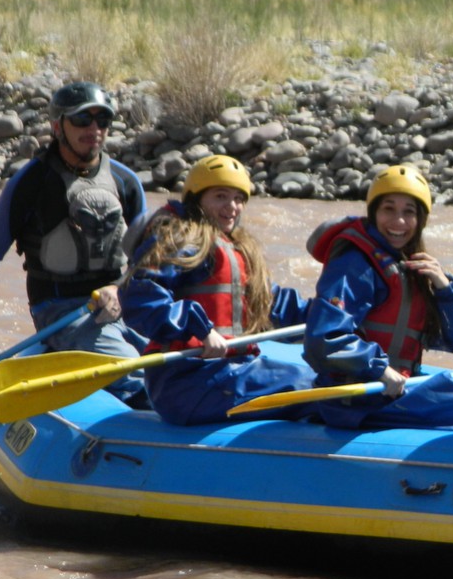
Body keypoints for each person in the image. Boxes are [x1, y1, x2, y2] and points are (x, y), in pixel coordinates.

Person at [303, 165, 453, 436]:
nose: (398, 222)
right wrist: (379, 369)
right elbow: (323, 338)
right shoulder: (354, 263)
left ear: (420, 219)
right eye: (389, 209)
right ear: (374, 212)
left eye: (408, 212)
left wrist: (446, 290)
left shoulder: (409, 266)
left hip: (395, 391)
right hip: (360, 399)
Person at [0, 81, 149, 407]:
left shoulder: (126, 182)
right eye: (81, 120)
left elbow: (147, 259)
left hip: (121, 301)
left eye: (102, 120)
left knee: (178, 356)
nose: (93, 129)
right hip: (60, 310)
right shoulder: (31, 183)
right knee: (131, 373)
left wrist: (120, 288)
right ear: (57, 125)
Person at [119, 155, 315, 425]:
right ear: (196, 200)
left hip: (228, 371)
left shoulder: (236, 248)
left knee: (323, 381)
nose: (231, 207)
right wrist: (200, 329)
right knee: (311, 386)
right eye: (220, 196)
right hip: (187, 381)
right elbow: (141, 297)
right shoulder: (181, 239)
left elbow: (272, 304)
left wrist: (327, 314)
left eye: (238, 198)